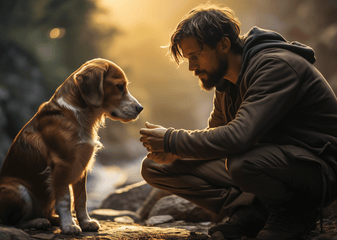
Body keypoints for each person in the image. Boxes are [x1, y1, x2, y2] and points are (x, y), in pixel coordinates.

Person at [139, 3, 337, 240]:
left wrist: (172, 140)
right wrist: (176, 152)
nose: (192, 67)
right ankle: (252, 211)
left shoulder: (276, 66)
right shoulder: (226, 83)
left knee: (242, 163)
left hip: (317, 170)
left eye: (195, 56)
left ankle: (296, 213)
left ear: (223, 44)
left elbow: (238, 136)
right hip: (268, 163)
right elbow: (216, 139)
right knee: (156, 167)